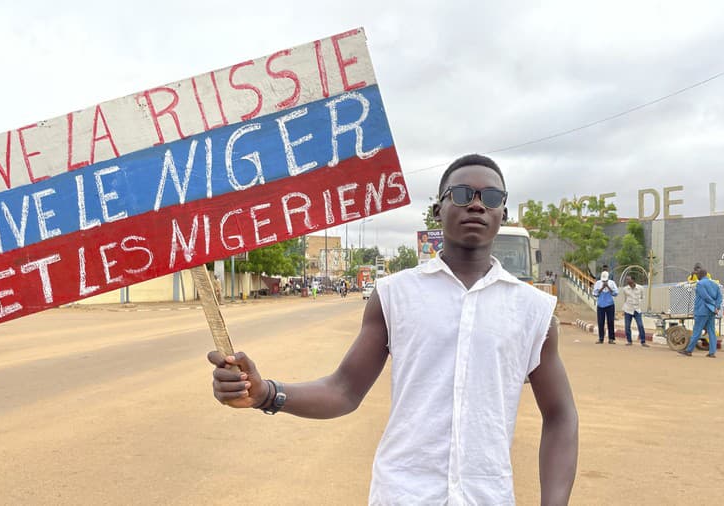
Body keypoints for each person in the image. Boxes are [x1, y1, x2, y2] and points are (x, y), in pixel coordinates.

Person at [208, 154, 578, 504]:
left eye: (491, 197)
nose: (477, 204)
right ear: (438, 210)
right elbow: (344, 389)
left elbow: (560, 414)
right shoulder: (394, 295)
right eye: (463, 194)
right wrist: (266, 394)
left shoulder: (533, 311)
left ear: (503, 211)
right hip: (402, 495)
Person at [679, 268, 723, 358]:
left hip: (702, 311)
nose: (697, 276)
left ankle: (689, 350)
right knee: (711, 331)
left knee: (697, 331)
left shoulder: (700, 284)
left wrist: (713, 304)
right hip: (712, 311)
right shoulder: (715, 284)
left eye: (697, 275)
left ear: (700, 275)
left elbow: (705, 297)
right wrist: (716, 307)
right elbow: (720, 297)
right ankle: (712, 352)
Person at [592, 271, 619, 344]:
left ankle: (611, 338)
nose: (604, 281)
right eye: (603, 280)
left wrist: (608, 287)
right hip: (600, 304)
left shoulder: (612, 283)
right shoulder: (598, 283)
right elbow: (595, 293)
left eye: (605, 280)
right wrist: (602, 287)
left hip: (610, 304)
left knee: (610, 321)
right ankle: (601, 338)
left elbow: (616, 293)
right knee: (600, 322)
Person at [622, 276, 649, 347]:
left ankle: (643, 341)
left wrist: (638, 303)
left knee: (640, 325)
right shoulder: (625, 289)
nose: (627, 280)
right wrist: (624, 309)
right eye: (626, 279)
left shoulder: (640, 288)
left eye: (628, 279)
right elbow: (625, 299)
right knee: (627, 326)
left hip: (637, 310)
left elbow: (642, 297)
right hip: (628, 309)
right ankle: (629, 341)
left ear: (633, 280)